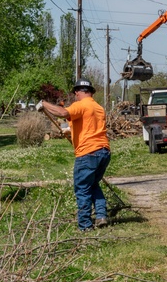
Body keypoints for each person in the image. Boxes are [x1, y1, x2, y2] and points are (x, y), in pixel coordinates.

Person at [39, 79, 112, 230]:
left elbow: (63, 112)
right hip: (103, 151)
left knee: (82, 188)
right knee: (93, 184)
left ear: (78, 92)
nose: (75, 95)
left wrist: (44, 104)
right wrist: (70, 131)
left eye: (75, 93)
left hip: (88, 153)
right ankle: (101, 215)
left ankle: (85, 225)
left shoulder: (80, 105)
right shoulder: (98, 107)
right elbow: (89, 127)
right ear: (91, 92)